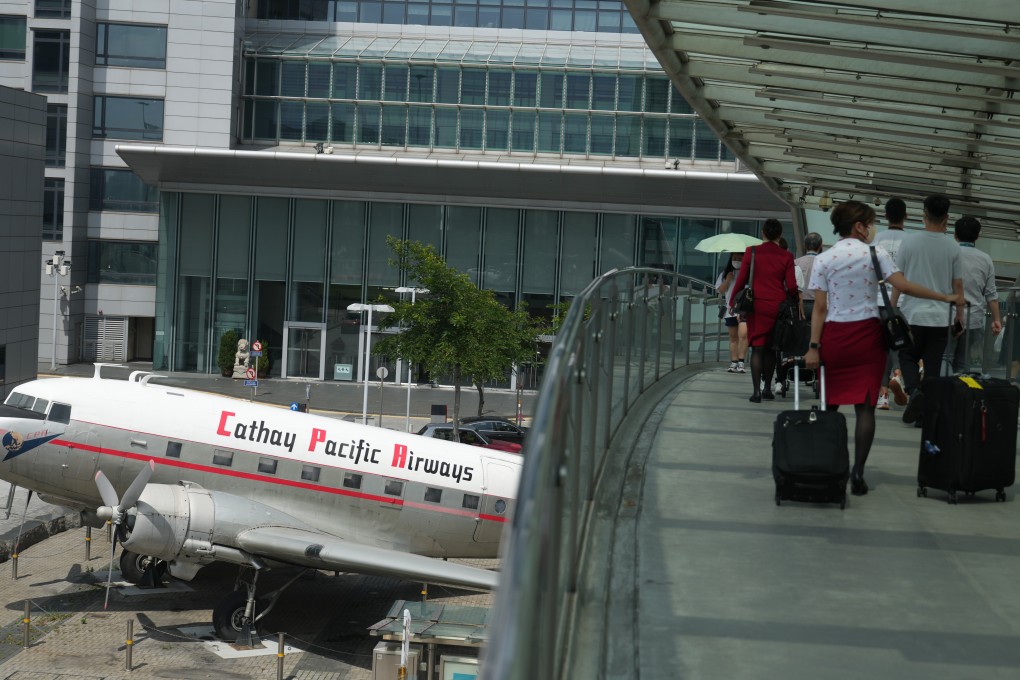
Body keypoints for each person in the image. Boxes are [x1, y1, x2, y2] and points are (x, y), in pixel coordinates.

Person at [804, 201, 959, 496]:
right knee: (865, 408)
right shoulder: (875, 254)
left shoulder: (825, 259)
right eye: (870, 223)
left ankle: (830, 467)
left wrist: (814, 347)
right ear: (860, 226)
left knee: (830, 406)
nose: (872, 228)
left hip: (835, 337)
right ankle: (858, 472)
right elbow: (905, 285)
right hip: (867, 336)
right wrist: (945, 297)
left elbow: (820, 309)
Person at [891, 194, 964, 425]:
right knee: (932, 366)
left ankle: (914, 392)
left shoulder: (909, 242)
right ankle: (925, 415)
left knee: (907, 356)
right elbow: (958, 286)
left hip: (912, 314)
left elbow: (898, 280)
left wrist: (892, 310)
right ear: (947, 218)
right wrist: (959, 317)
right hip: (941, 317)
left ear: (924, 214)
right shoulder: (953, 247)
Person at [731, 218, 798, 402]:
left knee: (758, 348)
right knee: (770, 349)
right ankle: (768, 388)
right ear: (780, 234)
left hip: (756, 306)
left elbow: (741, 279)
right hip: (777, 306)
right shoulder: (786, 256)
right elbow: (791, 285)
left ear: (763, 233)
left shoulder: (751, 252)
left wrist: (732, 302)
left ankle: (756, 391)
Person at [945, 216, 1002, 372]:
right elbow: (991, 294)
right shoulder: (986, 259)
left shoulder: (948, 254)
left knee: (945, 358)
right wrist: (996, 319)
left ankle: (942, 394)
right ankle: (960, 395)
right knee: (963, 362)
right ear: (977, 236)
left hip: (948, 316)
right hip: (974, 319)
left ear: (955, 235)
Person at [875, 198, 909, 409]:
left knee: (881, 348)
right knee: (901, 346)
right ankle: (897, 375)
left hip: (879, 301)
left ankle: (883, 395)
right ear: (906, 216)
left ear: (885, 215)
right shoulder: (911, 242)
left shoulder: (876, 240)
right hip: (904, 302)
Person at [716, 252, 748, 373]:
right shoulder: (726, 274)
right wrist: (728, 280)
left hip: (744, 310)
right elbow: (720, 290)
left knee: (743, 336)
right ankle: (734, 362)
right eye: (734, 258)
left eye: (739, 258)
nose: (736, 261)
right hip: (730, 310)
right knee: (733, 337)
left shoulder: (749, 274)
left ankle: (741, 361)